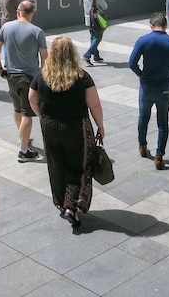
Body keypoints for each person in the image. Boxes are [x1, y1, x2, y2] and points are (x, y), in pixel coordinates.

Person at [29, 37, 104, 228]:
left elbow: (32, 98)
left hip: (50, 126)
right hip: (75, 127)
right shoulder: (81, 76)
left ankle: (62, 203)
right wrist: (100, 126)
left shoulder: (42, 75)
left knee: (56, 165)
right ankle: (73, 207)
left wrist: (42, 116)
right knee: (79, 166)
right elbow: (94, 104)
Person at [0, 0, 48, 162]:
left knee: (17, 109)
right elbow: (45, 57)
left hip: (11, 75)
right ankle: (23, 151)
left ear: (18, 12)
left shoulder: (6, 27)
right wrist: (42, 75)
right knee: (27, 114)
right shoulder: (37, 31)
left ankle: (22, 137)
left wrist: (0, 69)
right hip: (29, 77)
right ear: (33, 13)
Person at [129, 12, 169, 170]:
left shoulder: (143, 41)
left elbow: (132, 63)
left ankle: (142, 146)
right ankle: (159, 156)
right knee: (162, 122)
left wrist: (140, 74)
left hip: (146, 85)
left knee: (143, 117)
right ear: (165, 26)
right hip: (164, 87)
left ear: (151, 25)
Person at [82, 0, 108, 66]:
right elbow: (105, 6)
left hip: (88, 19)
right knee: (98, 37)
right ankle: (87, 55)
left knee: (93, 37)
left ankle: (96, 56)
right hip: (97, 19)